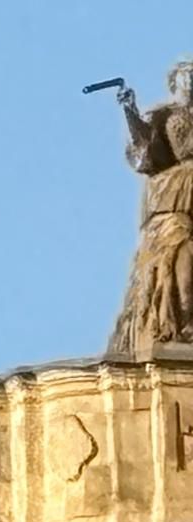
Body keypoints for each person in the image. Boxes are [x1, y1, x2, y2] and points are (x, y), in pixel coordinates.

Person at [112, 60, 193, 355]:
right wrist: (130, 111)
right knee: (178, 265)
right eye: (186, 77)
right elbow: (145, 153)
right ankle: (178, 326)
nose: (191, 81)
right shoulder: (164, 116)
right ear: (175, 85)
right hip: (174, 198)